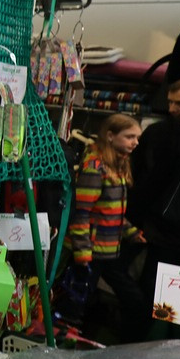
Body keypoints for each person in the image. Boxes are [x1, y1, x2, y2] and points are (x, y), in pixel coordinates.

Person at [67, 113, 147, 342]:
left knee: (87, 299)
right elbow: (81, 212)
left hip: (107, 249)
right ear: (110, 136)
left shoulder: (118, 164)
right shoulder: (95, 167)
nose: (135, 142)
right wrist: (82, 252)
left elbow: (110, 211)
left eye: (137, 137)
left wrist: (131, 232)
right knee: (77, 301)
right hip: (93, 251)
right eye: (130, 136)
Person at [129, 77, 180, 322]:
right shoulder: (159, 132)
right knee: (152, 294)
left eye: (179, 104)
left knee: (167, 301)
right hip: (156, 224)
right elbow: (138, 174)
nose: (171, 109)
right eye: (170, 102)